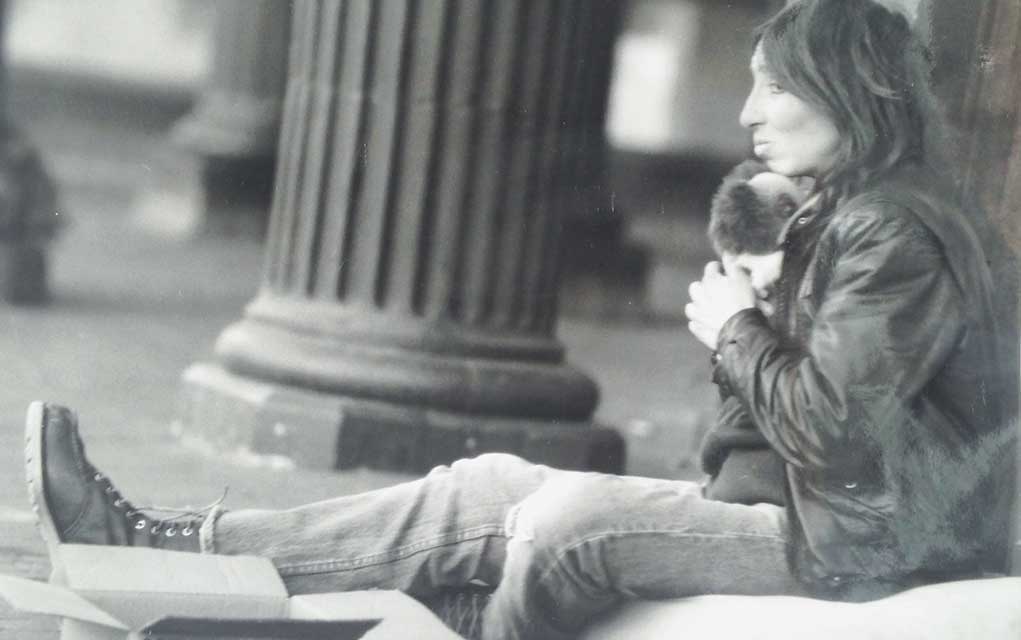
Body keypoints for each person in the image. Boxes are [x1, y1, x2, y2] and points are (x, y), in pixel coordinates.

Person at [23, 1, 1016, 639]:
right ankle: (165, 541)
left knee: (561, 524)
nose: (749, 111)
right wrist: (766, 301)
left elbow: (835, 430)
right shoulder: (860, 212)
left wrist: (738, 331)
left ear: (851, 93)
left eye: (777, 86)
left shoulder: (894, 229)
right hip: (822, 514)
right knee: (485, 485)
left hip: (861, 544)